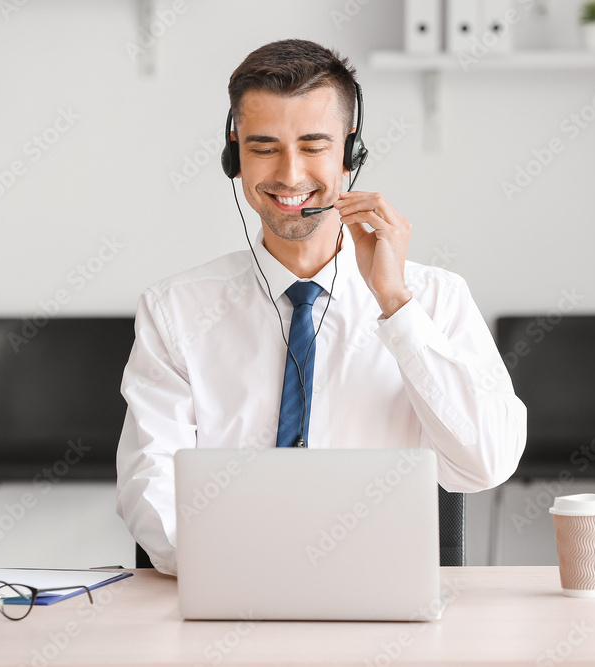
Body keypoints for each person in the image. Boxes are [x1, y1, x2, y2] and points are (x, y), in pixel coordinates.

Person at [116, 39, 526, 576]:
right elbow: (151, 486)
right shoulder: (175, 309)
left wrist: (397, 307)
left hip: (381, 601)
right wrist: (233, 572)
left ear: (350, 151)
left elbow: (486, 464)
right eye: (264, 147)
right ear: (233, 153)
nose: (289, 175)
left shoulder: (435, 300)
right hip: (227, 597)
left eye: (313, 146)